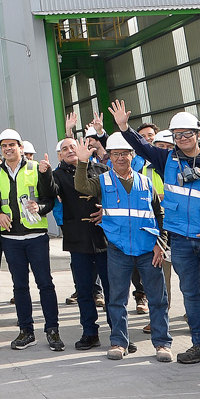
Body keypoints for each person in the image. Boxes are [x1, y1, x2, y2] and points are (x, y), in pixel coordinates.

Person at [111, 101, 200, 372]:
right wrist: (124, 128)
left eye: (187, 134)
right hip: (180, 240)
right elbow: (142, 147)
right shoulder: (167, 158)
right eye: (177, 135)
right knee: (190, 294)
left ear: (198, 133)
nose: (182, 139)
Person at [73, 134, 170, 361]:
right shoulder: (103, 181)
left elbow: (159, 214)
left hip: (148, 248)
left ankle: (162, 344)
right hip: (118, 249)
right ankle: (118, 342)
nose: (120, 158)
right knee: (116, 299)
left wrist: (161, 243)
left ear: (132, 155)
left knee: (158, 298)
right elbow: (82, 186)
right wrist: (82, 162)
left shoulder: (145, 182)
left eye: (124, 154)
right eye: (115, 154)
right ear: (110, 157)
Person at [0, 126, 62, 350]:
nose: (8, 149)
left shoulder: (35, 168)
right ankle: (26, 331)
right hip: (11, 240)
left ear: (21, 147)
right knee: (19, 287)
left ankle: (52, 330)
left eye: (12, 145)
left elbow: (50, 200)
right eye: (4, 146)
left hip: (36, 236)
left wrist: (39, 207)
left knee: (45, 284)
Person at [55, 127, 108, 350]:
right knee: (84, 290)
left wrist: (106, 211)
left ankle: (119, 332)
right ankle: (90, 332)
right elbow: (47, 193)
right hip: (77, 240)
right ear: (59, 156)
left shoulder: (102, 169)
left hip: (104, 238)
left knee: (112, 290)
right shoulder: (56, 176)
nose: (69, 150)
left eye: (72, 146)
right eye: (64, 149)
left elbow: (116, 198)